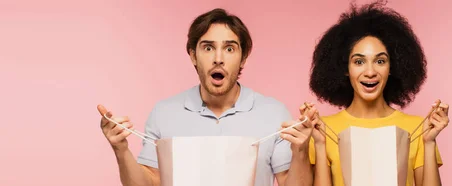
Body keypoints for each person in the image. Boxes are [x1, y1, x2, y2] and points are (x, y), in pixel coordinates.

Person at [96, 8, 313, 186]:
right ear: (193, 55)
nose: (218, 58)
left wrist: (301, 151)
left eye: (229, 49)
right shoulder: (164, 113)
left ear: (243, 58)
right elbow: (150, 183)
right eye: (208, 48)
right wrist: (121, 150)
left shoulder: (274, 114)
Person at [304, 1, 450, 186]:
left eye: (380, 61)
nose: (370, 72)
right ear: (345, 68)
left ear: (392, 67)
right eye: (359, 62)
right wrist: (319, 144)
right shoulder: (323, 130)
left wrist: (429, 143)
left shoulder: (418, 128)